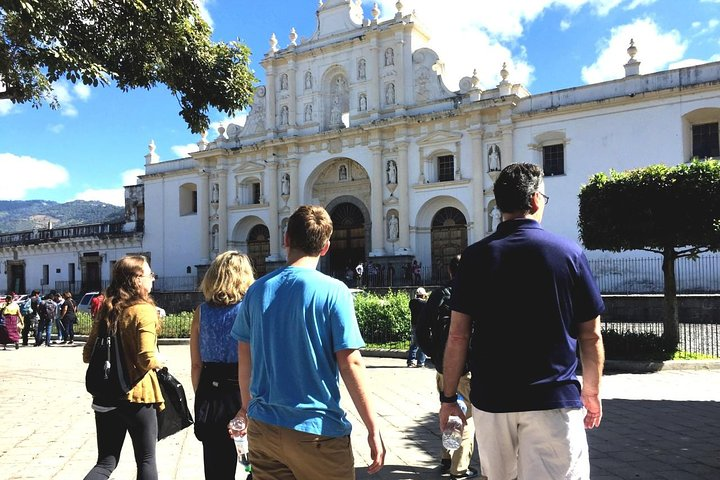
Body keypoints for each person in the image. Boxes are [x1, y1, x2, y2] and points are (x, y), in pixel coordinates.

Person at [440, 163, 605, 480]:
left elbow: (457, 336)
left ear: (500, 205)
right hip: (553, 398)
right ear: (534, 201)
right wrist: (591, 391)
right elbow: (591, 336)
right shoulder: (569, 254)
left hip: (492, 399)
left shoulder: (474, 258)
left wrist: (449, 398)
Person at [230, 205, 385, 479]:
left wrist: (248, 408)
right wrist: (372, 426)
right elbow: (351, 363)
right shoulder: (334, 291)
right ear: (326, 247)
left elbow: (245, 358)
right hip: (317, 432)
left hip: (264, 428)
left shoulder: (256, 291)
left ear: (286, 240)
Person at [82, 255, 165, 480]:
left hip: (106, 396)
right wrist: (161, 361)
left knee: (105, 462)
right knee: (146, 460)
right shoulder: (143, 310)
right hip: (137, 396)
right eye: (150, 275)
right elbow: (147, 358)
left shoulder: (107, 309)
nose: (153, 280)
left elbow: (88, 354)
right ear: (137, 279)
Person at [190, 251, 255, 479]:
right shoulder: (250, 309)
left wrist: (203, 395)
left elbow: (196, 365)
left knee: (217, 469)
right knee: (257, 465)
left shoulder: (201, 312)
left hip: (212, 390)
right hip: (244, 390)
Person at [425, 255, 477, 479]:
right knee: (467, 417)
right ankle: (460, 469)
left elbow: (421, 329)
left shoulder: (438, 294)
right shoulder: (475, 294)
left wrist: (435, 354)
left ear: (449, 271)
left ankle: (447, 458)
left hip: (443, 368)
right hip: (466, 367)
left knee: (449, 409)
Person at [406, 287, 428, 368]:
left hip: (414, 324)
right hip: (423, 325)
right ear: (423, 295)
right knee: (422, 343)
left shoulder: (412, 302)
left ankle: (411, 361)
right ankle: (421, 361)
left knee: (414, 343)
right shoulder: (424, 304)